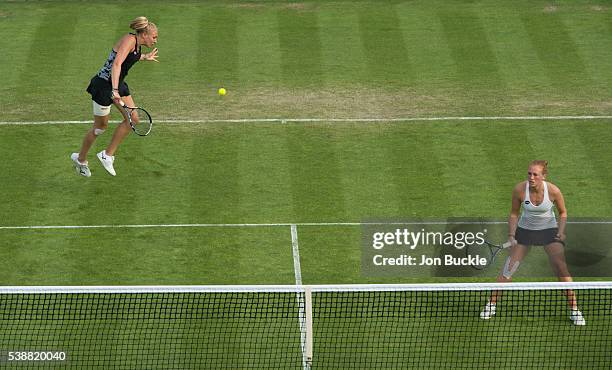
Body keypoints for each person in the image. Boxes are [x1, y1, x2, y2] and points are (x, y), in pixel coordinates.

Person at [480, 160, 585, 326]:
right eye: (529, 173)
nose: (531, 177)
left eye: (535, 174)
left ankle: (574, 310)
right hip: (525, 232)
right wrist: (511, 235)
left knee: (561, 267)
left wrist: (561, 231)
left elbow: (563, 212)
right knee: (509, 268)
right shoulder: (519, 190)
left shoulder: (553, 191)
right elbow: (514, 214)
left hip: (548, 231)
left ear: (543, 176)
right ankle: (491, 305)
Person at [71, 16, 158, 177]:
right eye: (154, 36)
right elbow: (117, 63)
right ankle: (80, 159)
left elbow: (131, 57)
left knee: (133, 118)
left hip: (117, 83)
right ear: (144, 34)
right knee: (99, 128)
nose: (155, 40)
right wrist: (115, 91)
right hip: (104, 85)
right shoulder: (130, 40)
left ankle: (107, 155)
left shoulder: (137, 46)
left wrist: (145, 57)